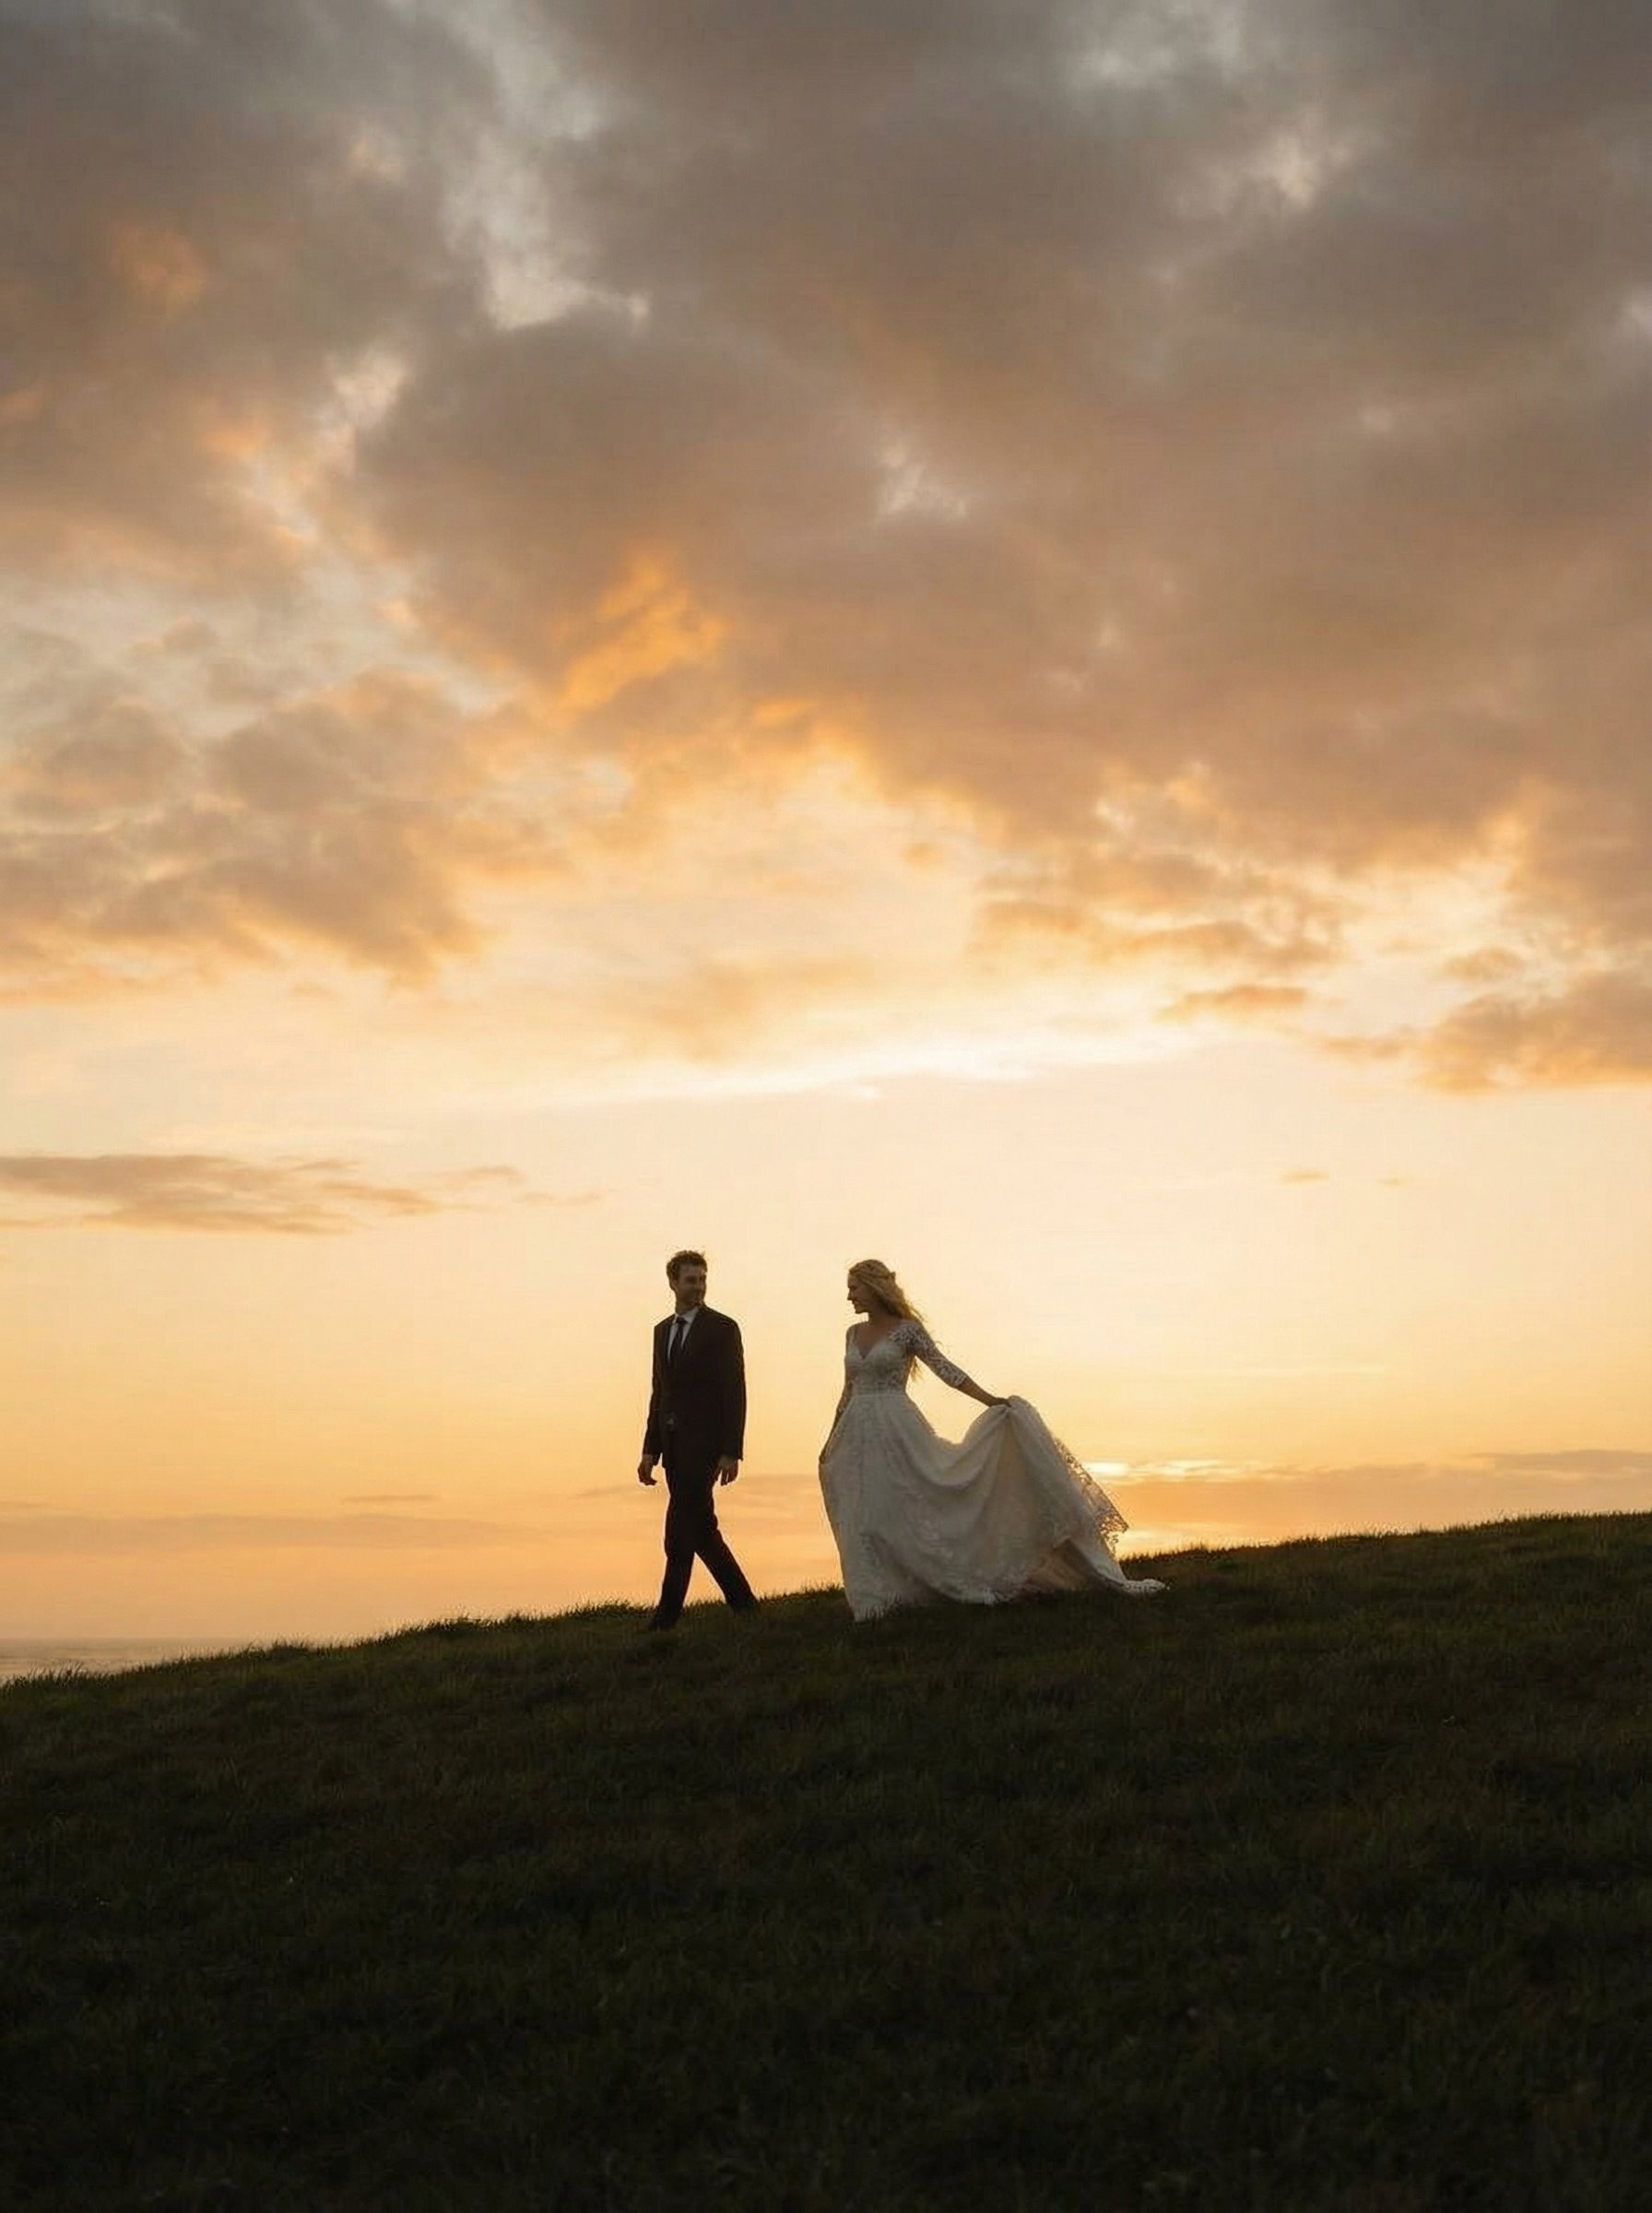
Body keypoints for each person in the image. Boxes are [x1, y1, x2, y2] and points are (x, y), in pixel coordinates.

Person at [818, 1259, 1166, 1621]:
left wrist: (992, 1401)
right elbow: (848, 1390)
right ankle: (877, 1595)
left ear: (874, 1287)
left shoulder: (907, 1331)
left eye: (854, 1288)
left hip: (898, 1431)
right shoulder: (852, 1334)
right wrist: (831, 1438)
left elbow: (947, 1371)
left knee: (910, 1504)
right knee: (868, 1513)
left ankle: (934, 1582)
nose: (849, 1296)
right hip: (857, 1432)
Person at [637, 1249, 758, 1631]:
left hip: (705, 1448)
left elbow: (734, 1390)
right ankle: (745, 1606)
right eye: (690, 1280)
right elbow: (660, 1392)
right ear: (673, 1282)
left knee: (678, 1532)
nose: (698, 1287)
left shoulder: (722, 1328)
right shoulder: (661, 1331)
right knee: (702, 1531)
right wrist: (649, 1449)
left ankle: (665, 1618)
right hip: (672, 1446)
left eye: (702, 1279)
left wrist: (730, 1450)